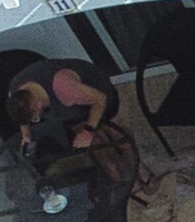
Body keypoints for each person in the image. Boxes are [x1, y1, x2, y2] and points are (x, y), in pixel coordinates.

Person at [8, 56, 142, 207]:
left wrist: (88, 130)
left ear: (37, 102)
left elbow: (100, 99)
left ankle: (139, 173)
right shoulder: (17, 92)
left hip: (96, 95)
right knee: (97, 147)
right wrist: (26, 136)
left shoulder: (64, 88)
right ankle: (122, 181)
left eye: (35, 117)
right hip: (71, 112)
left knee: (119, 137)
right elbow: (23, 119)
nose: (36, 120)